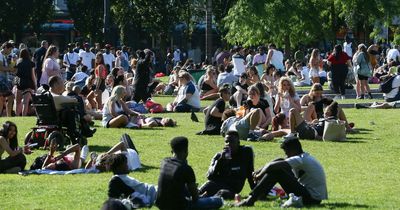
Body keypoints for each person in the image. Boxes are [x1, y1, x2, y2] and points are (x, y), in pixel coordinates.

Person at [236, 135, 327, 207]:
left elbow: (272, 166)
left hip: (311, 198)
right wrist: (258, 171)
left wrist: (259, 175)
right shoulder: (303, 157)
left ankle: (251, 199)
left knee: (277, 171)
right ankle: (260, 195)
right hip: (311, 195)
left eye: (286, 152)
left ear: (293, 150)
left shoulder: (299, 159)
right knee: (278, 165)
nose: (286, 155)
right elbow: (280, 160)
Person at [156, 136, 223, 210]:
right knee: (218, 200)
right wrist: (198, 195)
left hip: (161, 205)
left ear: (172, 151)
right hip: (179, 206)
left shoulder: (165, 162)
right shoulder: (186, 169)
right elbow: (195, 198)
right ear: (186, 151)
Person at [199, 131, 255, 199]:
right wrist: (220, 161)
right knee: (209, 186)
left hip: (233, 188)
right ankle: (196, 195)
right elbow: (210, 176)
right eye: (226, 142)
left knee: (221, 192)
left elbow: (250, 174)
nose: (228, 144)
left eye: (232, 142)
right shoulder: (219, 156)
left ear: (238, 143)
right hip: (218, 185)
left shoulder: (246, 152)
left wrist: (256, 192)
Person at [15, 48, 37, 116]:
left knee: (18, 102)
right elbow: (33, 75)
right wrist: (35, 85)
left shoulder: (18, 62)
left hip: (19, 83)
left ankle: (17, 115)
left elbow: (15, 73)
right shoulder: (31, 63)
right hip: (28, 83)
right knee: (25, 102)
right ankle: (24, 116)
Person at [0, 42, 17, 117]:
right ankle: (9, 115)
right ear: (5, 48)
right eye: (10, 50)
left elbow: (11, 67)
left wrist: (14, 61)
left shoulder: (4, 56)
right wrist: (10, 69)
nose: (10, 52)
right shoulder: (0, 55)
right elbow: (1, 68)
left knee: (1, 99)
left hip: (3, 79)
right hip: (0, 80)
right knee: (11, 96)